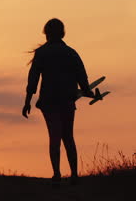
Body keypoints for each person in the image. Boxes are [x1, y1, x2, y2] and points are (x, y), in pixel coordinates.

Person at [22, 18, 94, 185]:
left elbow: (33, 79)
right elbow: (81, 76)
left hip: (48, 101)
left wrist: (27, 101)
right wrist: (87, 91)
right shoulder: (71, 52)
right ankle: (74, 174)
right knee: (68, 136)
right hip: (67, 100)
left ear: (46, 33)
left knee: (54, 136)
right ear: (62, 33)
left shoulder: (41, 53)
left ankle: (57, 174)